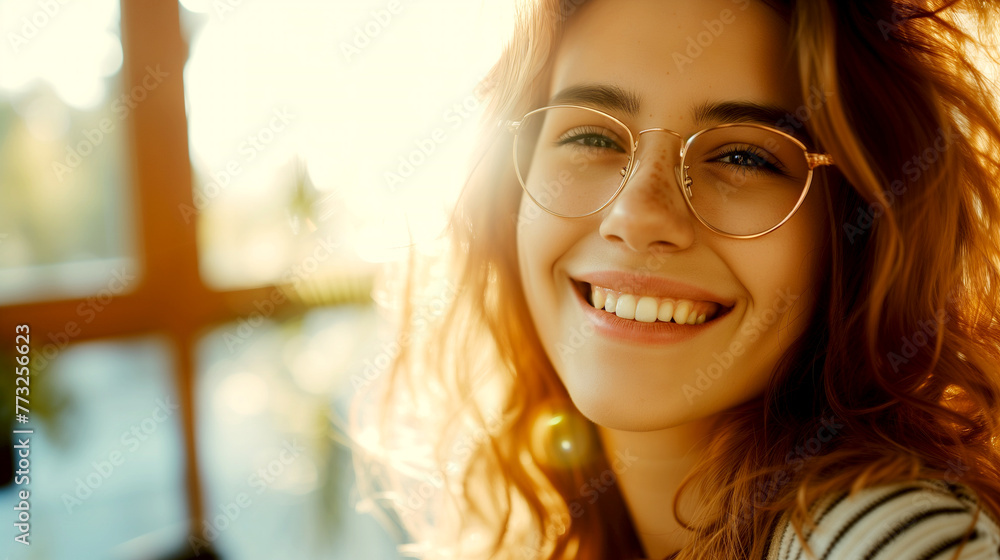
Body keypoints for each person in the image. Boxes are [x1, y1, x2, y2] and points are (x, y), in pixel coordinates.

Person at [350, 0, 1000, 558]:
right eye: (591, 139)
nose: (638, 217)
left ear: (855, 228)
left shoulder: (885, 538)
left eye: (744, 155)